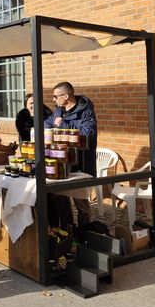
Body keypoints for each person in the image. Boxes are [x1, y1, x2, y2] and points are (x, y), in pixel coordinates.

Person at [44, 82, 97, 227]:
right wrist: (58, 126)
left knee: (81, 203)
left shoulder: (86, 111)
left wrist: (62, 126)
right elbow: (46, 125)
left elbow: (87, 134)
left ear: (66, 96)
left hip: (81, 164)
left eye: (55, 96)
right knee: (60, 199)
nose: (53, 100)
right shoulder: (58, 111)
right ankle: (68, 231)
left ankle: (84, 232)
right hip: (62, 163)